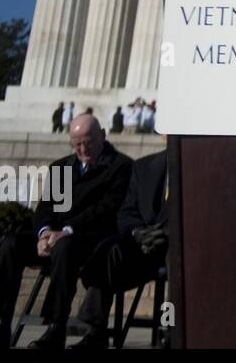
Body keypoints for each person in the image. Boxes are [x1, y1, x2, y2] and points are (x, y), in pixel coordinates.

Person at [0, 115, 132, 350]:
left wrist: (66, 231)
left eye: (88, 142)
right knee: (11, 244)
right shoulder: (63, 168)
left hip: (92, 241)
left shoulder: (120, 166)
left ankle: (56, 327)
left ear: (103, 135)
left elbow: (105, 209)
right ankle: (0, 324)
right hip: (56, 238)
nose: (83, 149)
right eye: (77, 144)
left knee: (65, 248)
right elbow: (47, 208)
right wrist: (44, 233)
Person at [70, 150, 169, 350]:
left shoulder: (200, 165)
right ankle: (96, 330)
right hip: (142, 245)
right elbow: (127, 212)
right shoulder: (142, 166)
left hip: (176, 247)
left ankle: (172, 330)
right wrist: (137, 233)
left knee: (180, 263)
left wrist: (167, 235)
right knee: (109, 250)